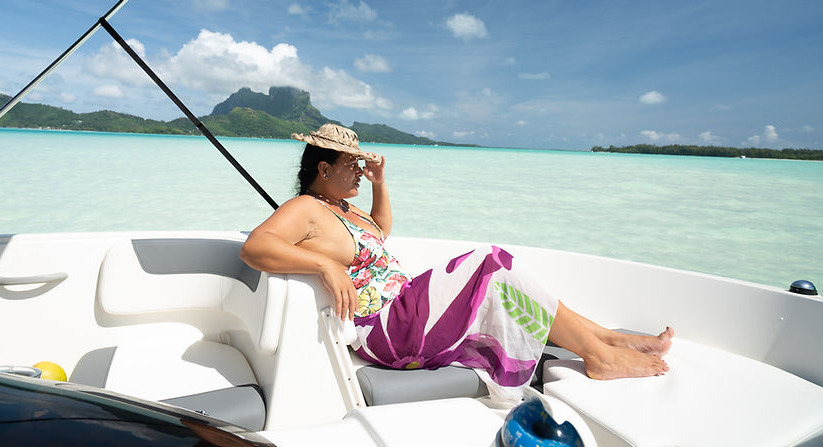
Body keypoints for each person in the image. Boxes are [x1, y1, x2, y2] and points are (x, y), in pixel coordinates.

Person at [240, 124, 672, 401]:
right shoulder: (305, 208)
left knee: (500, 269)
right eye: (351, 165)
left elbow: (380, 231)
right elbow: (256, 246)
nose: (358, 171)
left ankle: (605, 340)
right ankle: (599, 355)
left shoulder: (345, 209)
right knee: (490, 261)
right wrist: (326, 267)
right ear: (323, 167)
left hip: (406, 308)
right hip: (386, 330)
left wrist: (380, 183)